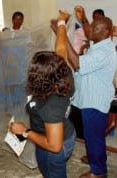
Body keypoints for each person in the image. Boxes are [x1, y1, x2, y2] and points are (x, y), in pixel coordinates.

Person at [55, 8, 117, 178]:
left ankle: (98, 172)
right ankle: (94, 157)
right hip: (87, 97)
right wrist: (62, 30)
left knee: (94, 136)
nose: (90, 31)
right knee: (92, 135)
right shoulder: (97, 45)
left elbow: (76, 63)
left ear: (105, 32)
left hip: (95, 100)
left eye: (95, 28)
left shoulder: (104, 51)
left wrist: (62, 32)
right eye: (91, 27)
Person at [9, 51, 75, 178]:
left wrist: (25, 131)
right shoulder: (64, 75)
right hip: (62, 132)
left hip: (54, 146)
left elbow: (54, 146)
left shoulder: (50, 106)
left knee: (51, 172)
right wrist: (60, 30)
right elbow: (61, 47)